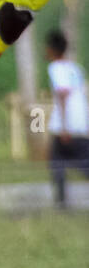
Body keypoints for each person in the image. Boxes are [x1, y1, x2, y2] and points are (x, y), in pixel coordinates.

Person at [45, 29, 89, 209]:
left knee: (57, 162)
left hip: (66, 125)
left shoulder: (55, 68)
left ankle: (61, 203)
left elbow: (63, 94)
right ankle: (61, 202)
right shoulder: (76, 68)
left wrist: (64, 127)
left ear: (51, 49)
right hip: (81, 123)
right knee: (82, 162)